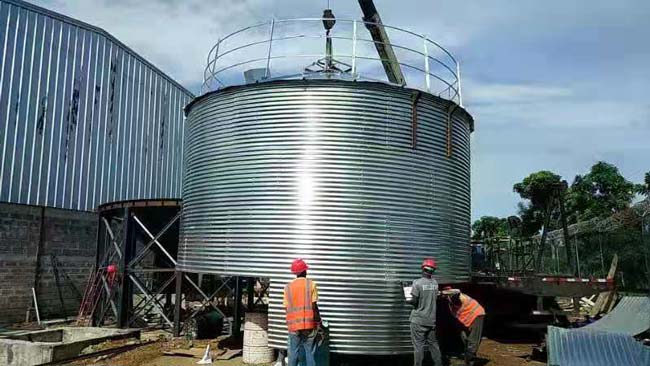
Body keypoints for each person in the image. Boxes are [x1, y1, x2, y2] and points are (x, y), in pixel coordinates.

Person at [406, 258, 443, 366]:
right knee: (434, 345)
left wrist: (408, 300)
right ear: (432, 271)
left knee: (418, 347)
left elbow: (414, 302)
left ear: (423, 269)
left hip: (418, 321)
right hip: (431, 320)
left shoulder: (417, 283)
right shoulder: (435, 283)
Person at [284, 258, 320, 366]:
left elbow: (286, 307)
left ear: (295, 273)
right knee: (310, 353)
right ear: (305, 271)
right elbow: (314, 306)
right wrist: (318, 321)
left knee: (293, 352)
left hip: (293, 326)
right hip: (309, 325)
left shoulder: (288, 288)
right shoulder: (311, 284)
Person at [441, 286, 485, 366]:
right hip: (467, 318)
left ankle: (470, 362)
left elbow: (456, 291)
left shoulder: (459, 295)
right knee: (464, 338)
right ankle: (468, 356)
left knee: (473, 339)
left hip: (476, 314)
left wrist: (441, 292)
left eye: (445, 294)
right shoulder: (450, 302)